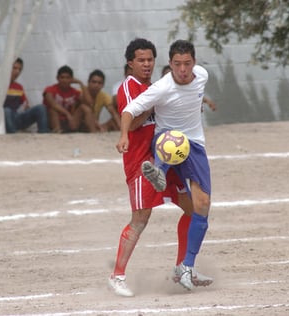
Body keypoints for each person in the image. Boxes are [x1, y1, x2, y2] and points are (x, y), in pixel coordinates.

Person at [109, 38, 212, 297]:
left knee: (191, 209)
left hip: (166, 157)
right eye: (141, 60)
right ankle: (117, 275)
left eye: (149, 60)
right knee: (141, 219)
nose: (146, 64)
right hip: (141, 162)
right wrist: (155, 102)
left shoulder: (154, 86)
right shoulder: (131, 87)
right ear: (130, 63)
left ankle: (182, 268)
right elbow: (132, 123)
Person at [43, 65, 95, 133]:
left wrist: (81, 83)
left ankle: (93, 133)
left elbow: (89, 103)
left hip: (70, 122)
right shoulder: (50, 89)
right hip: (54, 121)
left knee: (84, 107)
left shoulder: (74, 92)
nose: (65, 80)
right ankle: (58, 131)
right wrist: (68, 114)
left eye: (68, 78)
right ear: (57, 78)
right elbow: (53, 104)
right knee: (53, 110)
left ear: (71, 79)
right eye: (62, 77)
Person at [4, 58, 49, 133]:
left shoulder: (19, 87)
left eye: (19, 69)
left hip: (18, 117)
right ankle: (12, 135)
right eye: (14, 68)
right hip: (4, 119)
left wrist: (25, 107)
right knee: (7, 111)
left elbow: (25, 104)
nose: (17, 72)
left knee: (41, 108)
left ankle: (43, 133)